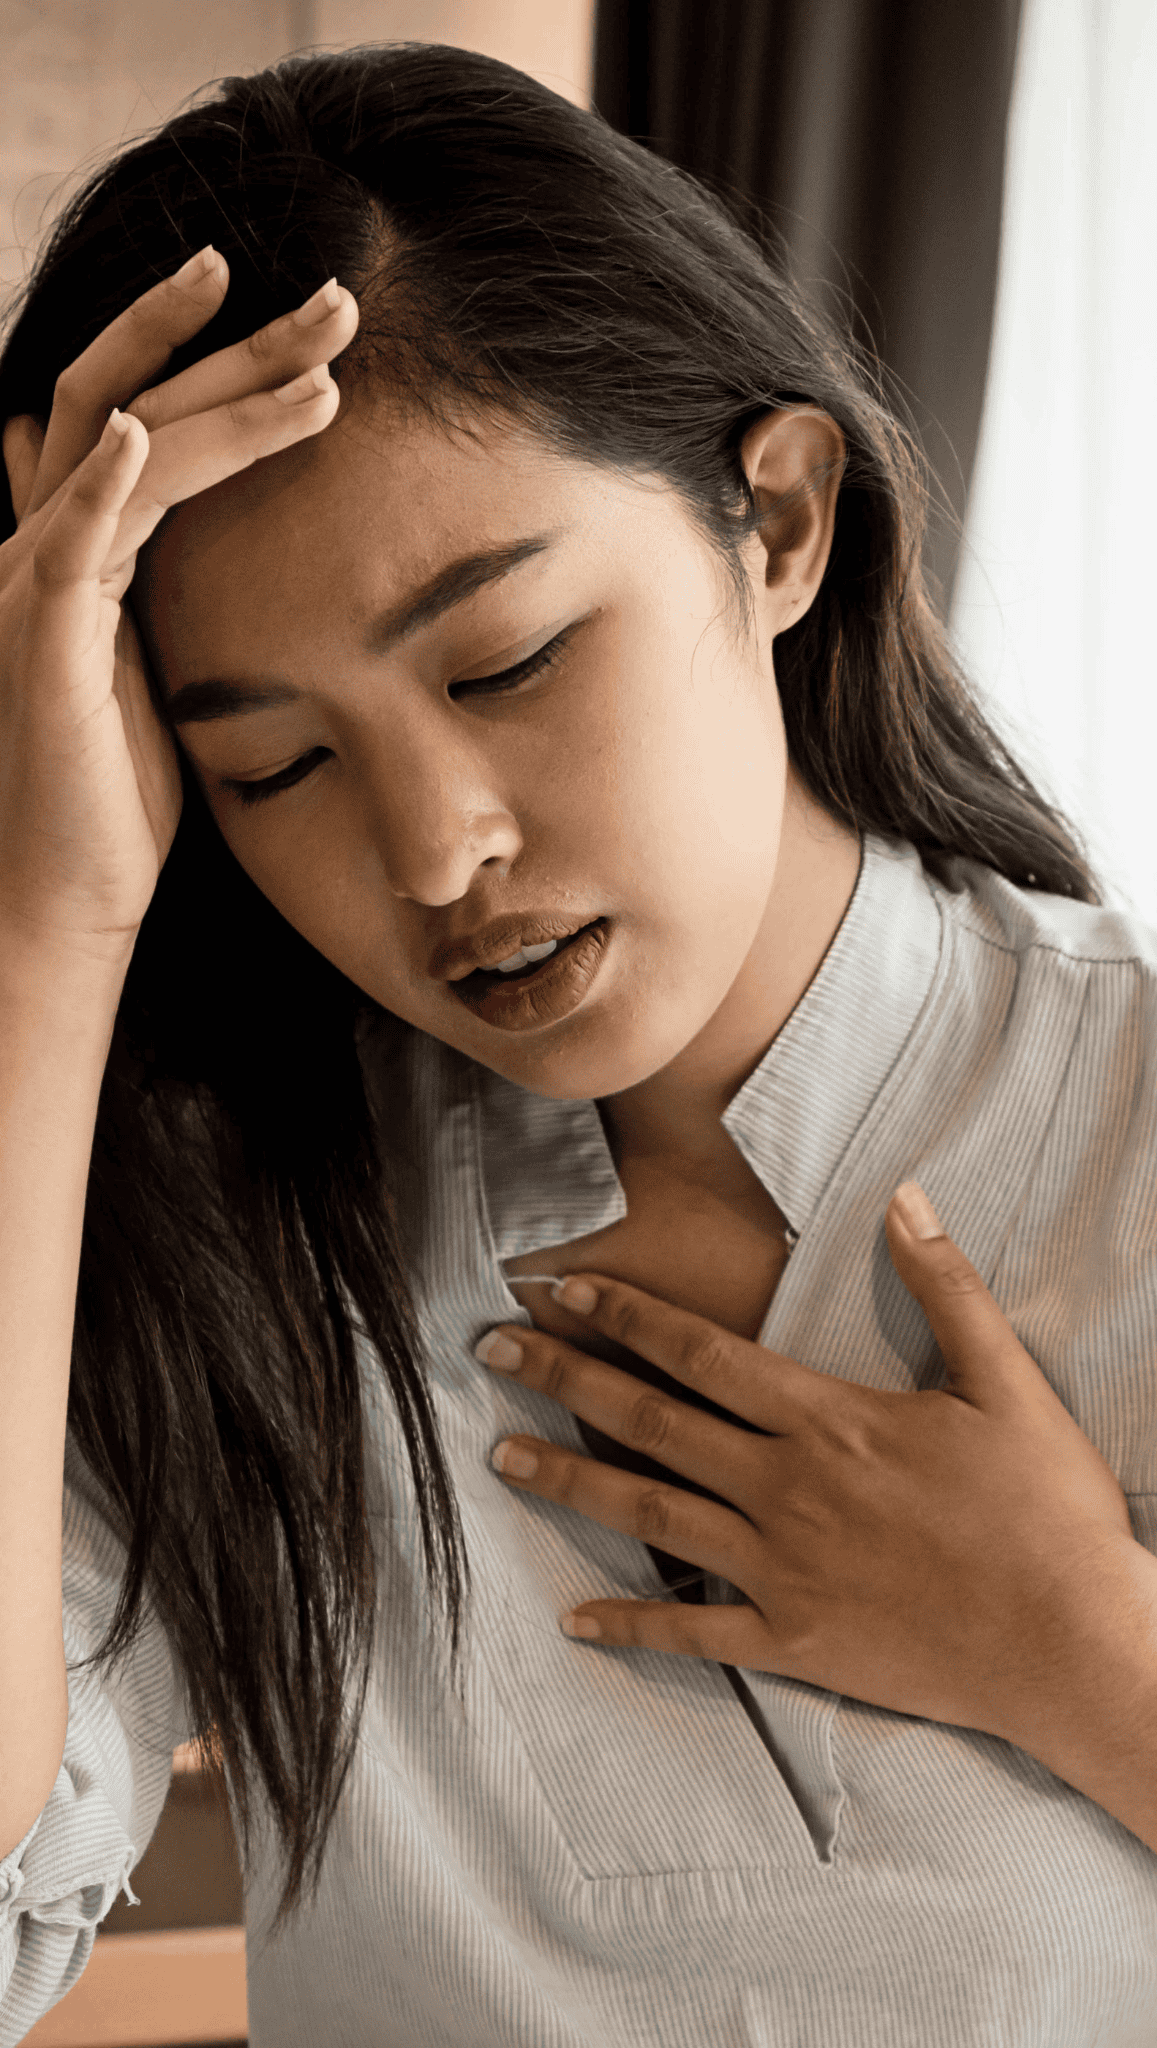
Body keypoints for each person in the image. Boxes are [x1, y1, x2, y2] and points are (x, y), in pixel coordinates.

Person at [1, 40, 1154, 2048]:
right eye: (272, 768)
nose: (437, 846)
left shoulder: (1121, 1115)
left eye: (508, 657)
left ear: (773, 523)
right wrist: (43, 926)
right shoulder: (228, 1234)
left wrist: (1084, 1658)